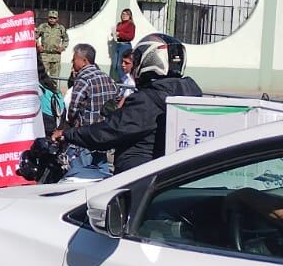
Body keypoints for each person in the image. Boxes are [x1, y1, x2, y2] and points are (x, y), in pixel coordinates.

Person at [55, 33, 202, 174]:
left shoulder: (147, 99)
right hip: (169, 176)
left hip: (136, 179)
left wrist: (68, 133)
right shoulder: (191, 94)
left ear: (150, 60)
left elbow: (108, 133)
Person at [63, 43, 119, 180]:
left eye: (74, 59)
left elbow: (74, 107)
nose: (72, 62)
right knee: (103, 177)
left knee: (82, 178)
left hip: (85, 138)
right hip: (104, 137)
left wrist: (70, 122)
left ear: (84, 61)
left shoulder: (83, 79)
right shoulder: (107, 78)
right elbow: (117, 100)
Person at [36, 10, 69, 79]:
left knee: (55, 78)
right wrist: (38, 46)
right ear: (48, 18)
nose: (52, 19)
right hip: (44, 55)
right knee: (42, 77)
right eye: (50, 17)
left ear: (57, 19)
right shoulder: (43, 27)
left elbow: (66, 39)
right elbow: (34, 37)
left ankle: (54, 90)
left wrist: (62, 48)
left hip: (56, 56)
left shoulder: (61, 28)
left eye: (54, 18)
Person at [111, 9, 136, 81]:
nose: (124, 16)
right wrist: (114, 34)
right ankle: (122, 80)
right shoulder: (119, 24)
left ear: (129, 16)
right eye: (123, 14)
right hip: (118, 45)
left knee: (121, 65)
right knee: (115, 65)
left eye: (126, 14)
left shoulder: (131, 24)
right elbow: (118, 33)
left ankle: (125, 81)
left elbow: (130, 36)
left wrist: (120, 34)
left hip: (125, 45)